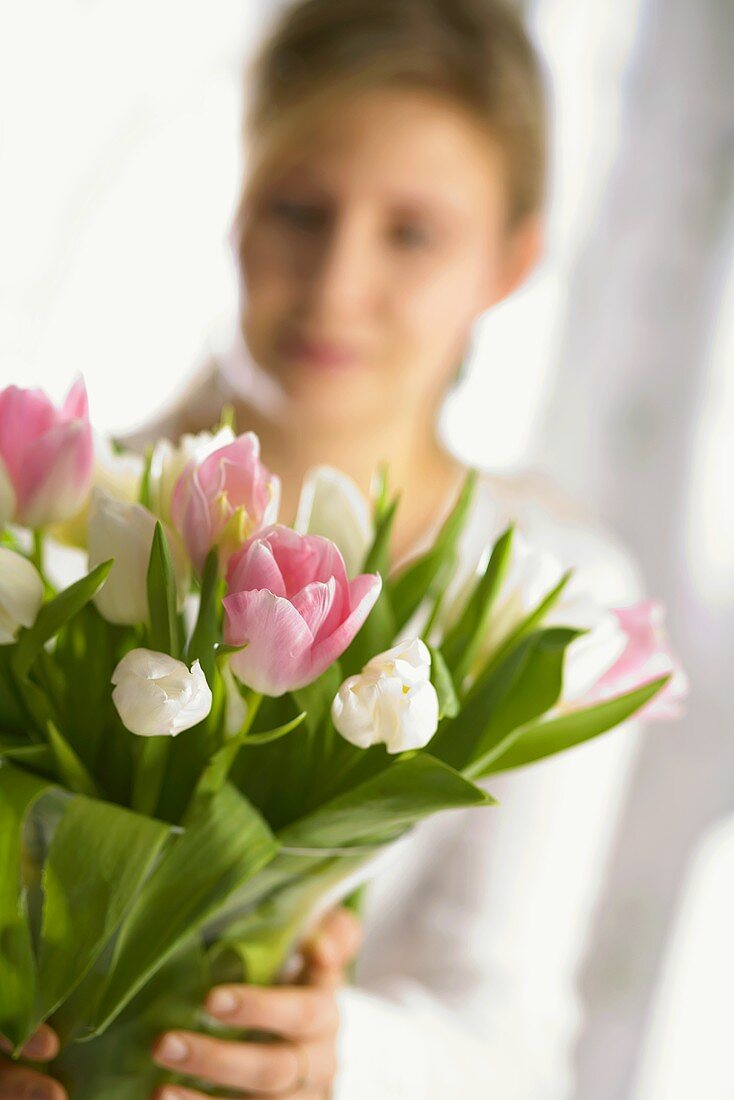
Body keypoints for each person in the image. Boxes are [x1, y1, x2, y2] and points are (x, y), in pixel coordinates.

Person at [0, 1, 648, 1097]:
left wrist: (339, 1049)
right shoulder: (62, 509)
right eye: (298, 208)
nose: (336, 282)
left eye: (411, 232)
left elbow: (510, 1033)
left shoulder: (555, 590)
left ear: (509, 260)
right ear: (236, 205)